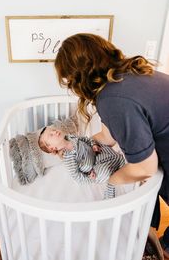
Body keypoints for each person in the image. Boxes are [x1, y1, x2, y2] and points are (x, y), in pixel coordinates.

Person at [54, 33, 169, 258]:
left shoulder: (113, 99)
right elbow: (108, 135)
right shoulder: (130, 75)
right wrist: (81, 145)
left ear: (78, 76)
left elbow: (145, 168)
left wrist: (111, 179)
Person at [38, 126, 126, 198]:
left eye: (54, 129)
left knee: (106, 149)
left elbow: (87, 140)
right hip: (93, 168)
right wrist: (89, 177)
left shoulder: (72, 138)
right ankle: (110, 187)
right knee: (104, 172)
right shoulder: (68, 157)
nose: (55, 132)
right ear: (52, 148)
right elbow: (77, 177)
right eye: (51, 135)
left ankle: (119, 160)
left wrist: (93, 145)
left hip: (96, 155)